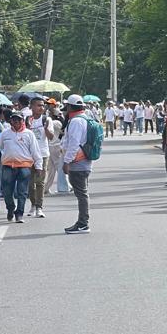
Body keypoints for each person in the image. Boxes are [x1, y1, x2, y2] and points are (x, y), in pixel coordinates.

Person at [0, 111, 42, 223]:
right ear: (10, 121)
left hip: (24, 166)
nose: (16, 122)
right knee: (7, 191)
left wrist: (38, 166)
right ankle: (10, 208)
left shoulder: (29, 134)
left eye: (18, 120)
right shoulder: (5, 134)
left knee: (22, 192)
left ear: (22, 121)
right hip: (8, 166)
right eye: (14, 120)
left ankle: (19, 213)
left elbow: (35, 151)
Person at [60, 95, 93, 234]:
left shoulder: (76, 121)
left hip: (78, 162)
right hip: (84, 160)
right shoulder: (84, 118)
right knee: (82, 193)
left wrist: (66, 161)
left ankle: (83, 224)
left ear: (70, 106)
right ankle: (82, 222)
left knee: (81, 194)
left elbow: (73, 143)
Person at [26, 96, 51, 218]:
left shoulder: (46, 119)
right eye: (38, 105)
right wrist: (28, 128)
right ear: (31, 107)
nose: (41, 108)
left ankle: (39, 207)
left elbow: (51, 137)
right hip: (29, 155)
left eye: (42, 105)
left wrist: (46, 128)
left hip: (43, 154)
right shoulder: (27, 119)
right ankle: (33, 204)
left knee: (40, 182)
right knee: (31, 183)